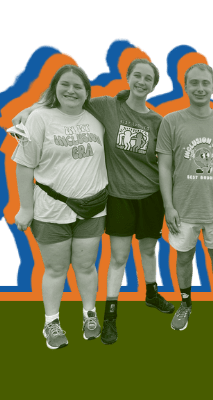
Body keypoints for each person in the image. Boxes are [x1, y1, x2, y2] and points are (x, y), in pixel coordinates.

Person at [12, 58, 176, 345]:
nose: (141, 82)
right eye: (137, 75)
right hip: (88, 202)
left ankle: (123, 304)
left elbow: (164, 162)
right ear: (127, 77)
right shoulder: (105, 107)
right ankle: (76, 320)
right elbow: (60, 110)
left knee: (123, 258)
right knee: (89, 263)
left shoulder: (148, 120)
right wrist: (29, 109)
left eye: (147, 78)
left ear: (154, 85)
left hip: (123, 202)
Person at [11, 64, 108, 349]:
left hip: (93, 208)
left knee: (86, 266)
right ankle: (51, 322)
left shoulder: (96, 118)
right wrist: (25, 209)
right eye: (65, 84)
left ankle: (89, 314)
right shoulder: (40, 118)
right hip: (51, 211)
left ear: (87, 93)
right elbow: (24, 166)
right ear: (54, 88)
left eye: (78, 86)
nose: (71, 90)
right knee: (55, 269)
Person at [156, 62, 213, 332]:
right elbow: (164, 167)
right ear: (185, 86)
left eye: (205, 83)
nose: (200, 88)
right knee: (183, 258)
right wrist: (168, 206)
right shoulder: (171, 121)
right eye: (194, 83)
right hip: (182, 209)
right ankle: (185, 303)